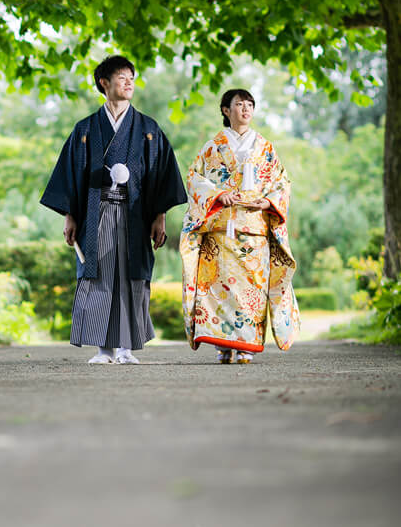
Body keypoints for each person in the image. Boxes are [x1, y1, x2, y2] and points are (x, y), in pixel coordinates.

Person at [41, 55, 186, 364]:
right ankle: (104, 349)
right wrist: (70, 216)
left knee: (132, 277)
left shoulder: (148, 129)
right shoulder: (86, 129)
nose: (129, 82)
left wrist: (160, 216)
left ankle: (125, 348)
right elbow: (71, 174)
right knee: (98, 276)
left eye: (132, 77)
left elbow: (161, 175)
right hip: (97, 212)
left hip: (135, 214)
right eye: (121, 77)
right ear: (104, 83)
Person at [180, 88, 300, 364]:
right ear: (226, 110)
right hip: (221, 230)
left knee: (252, 289)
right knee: (218, 289)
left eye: (250, 105)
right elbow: (194, 177)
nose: (246, 109)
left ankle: (245, 346)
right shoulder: (212, 147)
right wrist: (218, 195)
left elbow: (282, 182)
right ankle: (223, 346)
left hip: (254, 230)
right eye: (239, 104)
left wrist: (269, 202)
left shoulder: (265, 148)